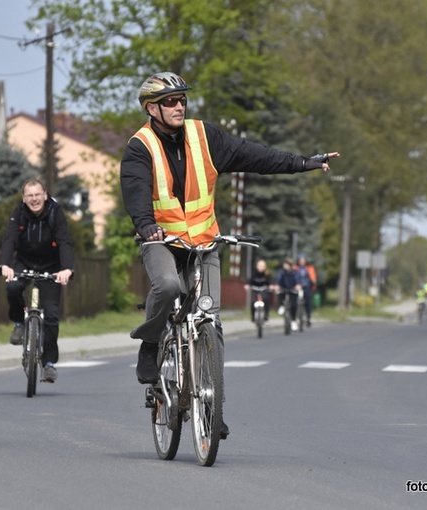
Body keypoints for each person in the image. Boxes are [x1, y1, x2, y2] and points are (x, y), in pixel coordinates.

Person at [120, 71, 338, 438]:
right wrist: (145, 225)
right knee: (170, 286)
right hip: (162, 240)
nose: (179, 106)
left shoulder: (205, 136)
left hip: (205, 241)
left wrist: (302, 163)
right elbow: (137, 192)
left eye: (182, 100)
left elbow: (254, 156)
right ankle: (151, 340)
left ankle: (211, 405)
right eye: (170, 101)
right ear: (151, 108)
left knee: (210, 320)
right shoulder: (140, 147)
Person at [0, 179, 74, 383]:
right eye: (29, 195)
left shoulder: (55, 212)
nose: (34, 199)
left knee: (51, 316)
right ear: (24, 198)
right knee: (13, 286)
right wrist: (5, 265)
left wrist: (67, 268)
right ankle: (18, 324)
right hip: (24, 262)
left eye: (37, 194)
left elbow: (64, 241)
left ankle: (49, 365)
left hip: (51, 266)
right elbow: (9, 239)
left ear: (45, 195)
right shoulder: (19, 213)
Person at [293, 253, 317, 328]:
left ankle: (308, 318)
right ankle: (295, 317)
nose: (302, 262)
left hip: (307, 286)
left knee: (307, 302)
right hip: (297, 287)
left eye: (303, 260)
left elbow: (312, 276)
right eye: (301, 260)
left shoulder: (309, 267)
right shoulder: (295, 267)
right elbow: (292, 276)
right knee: (295, 301)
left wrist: (313, 281)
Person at [274, 258, 298, 329]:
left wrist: (298, 285)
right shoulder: (281, 272)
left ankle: (293, 321)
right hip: (284, 288)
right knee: (280, 295)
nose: (285, 266)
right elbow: (278, 279)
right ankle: (281, 306)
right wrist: (277, 285)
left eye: (287, 265)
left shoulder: (294, 272)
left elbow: (297, 279)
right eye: (284, 264)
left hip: (292, 289)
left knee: (293, 305)